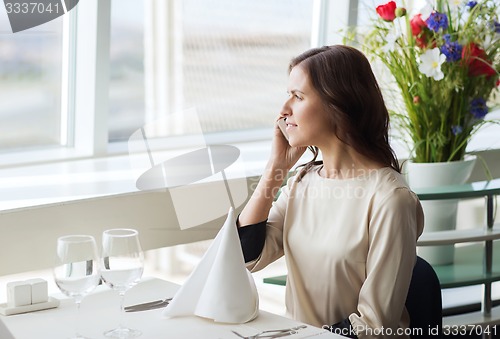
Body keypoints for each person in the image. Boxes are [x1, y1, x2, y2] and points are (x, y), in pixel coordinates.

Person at [237, 45, 424, 339]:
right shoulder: (302, 181)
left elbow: (373, 326)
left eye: (297, 97)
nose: (284, 110)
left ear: (338, 105)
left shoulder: (390, 199)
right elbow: (247, 258)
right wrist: (276, 168)